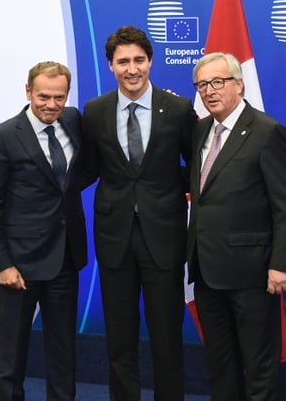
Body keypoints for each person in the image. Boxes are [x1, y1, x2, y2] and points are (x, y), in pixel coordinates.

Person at [81, 25, 198, 400]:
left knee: (166, 340)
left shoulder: (178, 108)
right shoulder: (95, 110)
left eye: (139, 60)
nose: (132, 69)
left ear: (150, 61)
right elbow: (87, 167)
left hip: (163, 239)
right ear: (111, 66)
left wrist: (170, 190)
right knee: (120, 341)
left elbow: (196, 166)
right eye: (123, 62)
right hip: (115, 241)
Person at [186, 52, 286, 401]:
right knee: (220, 365)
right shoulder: (201, 130)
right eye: (202, 85)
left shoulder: (267, 132)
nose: (209, 91)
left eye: (218, 82)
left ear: (239, 84)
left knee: (259, 366)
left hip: (252, 273)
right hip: (206, 271)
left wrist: (281, 264)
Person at [0, 61, 88, 401]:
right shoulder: (2, 137)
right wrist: (1, 263)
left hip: (65, 258)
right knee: (12, 354)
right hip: (19, 266)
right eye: (43, 97)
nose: (51, 105)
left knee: (63, 352)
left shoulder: (73, 122)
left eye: (59, 97)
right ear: (28, 92)